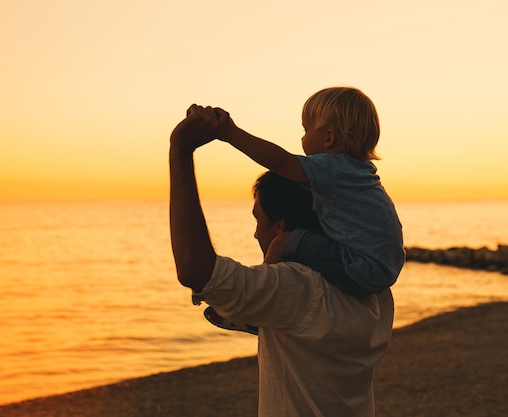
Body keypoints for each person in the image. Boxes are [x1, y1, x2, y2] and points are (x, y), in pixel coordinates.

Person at [169, 104, 394, 417]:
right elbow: (303, 325)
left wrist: (180, 150)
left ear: (280, 225)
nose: (255, 233)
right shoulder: (374, 296)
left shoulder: (299, 291)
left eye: (258, 220)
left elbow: (196, 270)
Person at [205, 87, 405, 298]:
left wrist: (230, 133)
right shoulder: (359, 173)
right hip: (384, 268)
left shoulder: (331, 168)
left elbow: (280, 162)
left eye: (306, 130)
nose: (302, 139)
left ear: (329, 138)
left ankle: (257, 298)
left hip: (361, 267)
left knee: (283, 241)